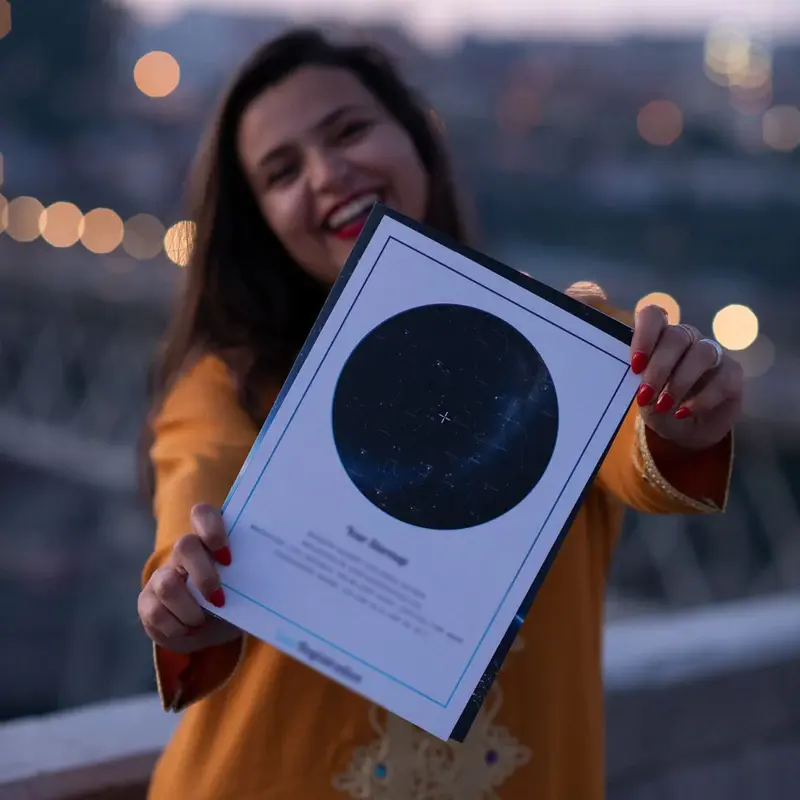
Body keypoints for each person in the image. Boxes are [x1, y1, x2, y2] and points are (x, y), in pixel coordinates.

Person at [137, 28, 741, 800]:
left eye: (349, 130)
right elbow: (191, 513)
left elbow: (638, 449)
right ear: (261, 220)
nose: (327, 174)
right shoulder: (226, 388)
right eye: (282, 171)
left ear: (420, 139)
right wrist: (183, 593)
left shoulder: (566, 340)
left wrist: (678, 416)